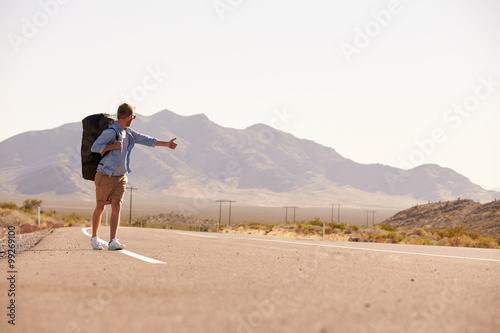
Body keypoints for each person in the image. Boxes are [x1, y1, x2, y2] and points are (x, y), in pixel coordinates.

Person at [90, 103, 177, 250]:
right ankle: (94, 238)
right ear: (129, 117)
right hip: (105, 175)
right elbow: (95, 147)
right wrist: (113, 146)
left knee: (116, 206)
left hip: (121, 176)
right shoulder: (111, 132)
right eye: (133, 117)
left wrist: (167, 144)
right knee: (100, 207)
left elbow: (148, 140)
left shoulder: (128, 133)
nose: (133, 119)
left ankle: (112, 241)